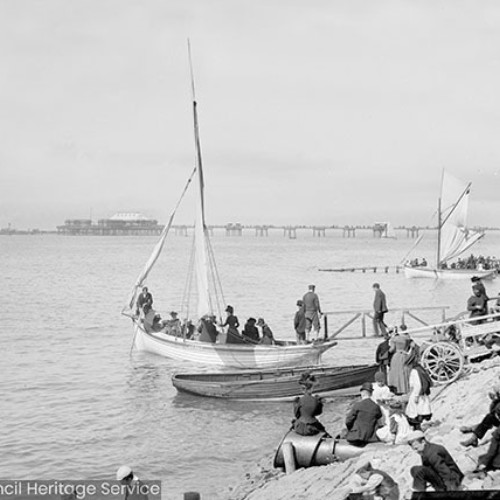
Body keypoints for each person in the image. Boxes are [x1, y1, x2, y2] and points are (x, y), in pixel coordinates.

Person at [345, 382, 383, 447]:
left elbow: (348, 421)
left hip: (356, 437)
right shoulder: (376, 407)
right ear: (371, 393)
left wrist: (351, 429)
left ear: (362, 393)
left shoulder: (357, 405)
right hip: (371, 438)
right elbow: (379, 419)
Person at [404, 349, 432, 430]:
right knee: (423, 411)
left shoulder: (414, 371)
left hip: (418, 395)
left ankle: (418, 429)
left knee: (415, 413)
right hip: (422, 395)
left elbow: (418, 385)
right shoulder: (420, 369)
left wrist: (416, 395)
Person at [387, 327, 411, 395]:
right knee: (404, 372)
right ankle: (406, 388)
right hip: (405, 355)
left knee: (396, 373)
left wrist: (387, 352)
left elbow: (392, 349)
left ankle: (398, 389)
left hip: (397, 356)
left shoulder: (394, 339)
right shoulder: (407, 337)